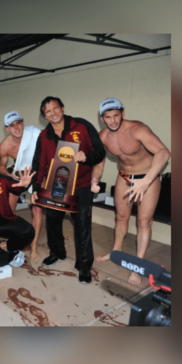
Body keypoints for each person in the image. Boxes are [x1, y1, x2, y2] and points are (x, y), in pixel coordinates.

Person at [94, 97, 171, 284]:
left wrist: (146, 181)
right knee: (121, 217)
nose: (113, 120)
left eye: (116, 115)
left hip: (147, 178)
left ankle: (137, 265)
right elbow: (99, 162)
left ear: (123, 113)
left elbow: (163, 152)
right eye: (108, 117)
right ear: (102, 118)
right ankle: (116, 252)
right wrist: (94, 179)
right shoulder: (102, 136)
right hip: (124, 177)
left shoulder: (137, 129)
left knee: (144, 222)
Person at [31, 96, 105, 284]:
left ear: (62, 108)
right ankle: (57, 252)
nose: (53, 113)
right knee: (53, 219)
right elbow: (39, 164)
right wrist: (36, 188)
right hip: (57, 185)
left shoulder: (82, 126)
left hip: (81, 185)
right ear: (44, 116)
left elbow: (100, 151)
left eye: (55, 108)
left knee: (82, 224)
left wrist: (86, 157)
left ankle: (84, 265)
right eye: (48, 111)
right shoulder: (44, 136)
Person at [0, 110, 44, 262]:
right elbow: (2, 168)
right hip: (18, 175)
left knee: (37, 210)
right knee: (9, 210)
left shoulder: (35, 133)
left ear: (22, 123)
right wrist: (12, 175)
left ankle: (34, 245)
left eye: (18, 123)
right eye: (12, 125)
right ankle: (13, 238)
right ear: (7, 129)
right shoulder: (4, 146)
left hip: (36, 174)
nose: (16, 127)